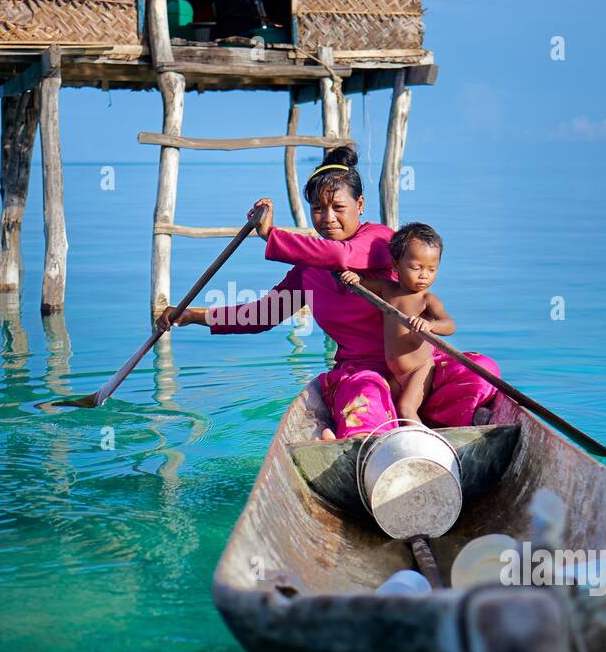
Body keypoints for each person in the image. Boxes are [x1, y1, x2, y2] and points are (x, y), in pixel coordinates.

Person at [157, 146, 500, 439]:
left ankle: (443, 425)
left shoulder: (381, 241)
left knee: (481, 368)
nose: (328, 218)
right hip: (364, 374)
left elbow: (341, 256)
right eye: (319, 209)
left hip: (417, 370)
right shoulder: (308, 271)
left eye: (338, 207)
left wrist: (270, 236)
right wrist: (192, 316)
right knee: (364, 394)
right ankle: (376, 435)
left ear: (360, 204)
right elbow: (259, 316)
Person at [338, 222, 451, 429]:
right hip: (394, 374)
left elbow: (449, 325)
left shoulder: (427, 299)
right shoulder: (387, 288)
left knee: (406, 409)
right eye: (416, 267)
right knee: (380, 411)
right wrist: (354, 278)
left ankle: (430, 449)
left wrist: (429, 325)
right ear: (396, 265)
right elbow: (360, 285)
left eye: (432, 269)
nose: (424, 275)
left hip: (419, 369)